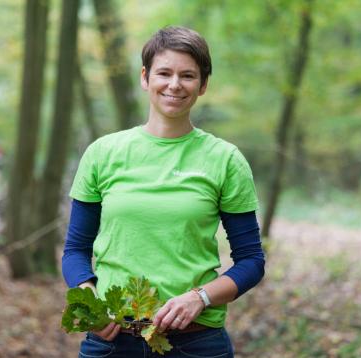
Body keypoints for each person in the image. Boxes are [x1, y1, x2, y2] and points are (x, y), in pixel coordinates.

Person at [62, 26, 265, 358]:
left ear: (203, 85)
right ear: (145, 78)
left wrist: (199, 297)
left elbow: (251, 262)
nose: (174, 84)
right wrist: (89, 301)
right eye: (164, 73)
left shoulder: (225, 160)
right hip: (111, 342)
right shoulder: (103, 154)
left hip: (196, 343)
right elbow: (75, 251)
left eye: (187, 75)